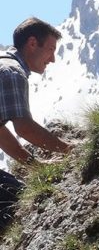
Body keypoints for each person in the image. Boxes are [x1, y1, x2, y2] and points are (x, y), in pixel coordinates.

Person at [0, 17, 72, 230]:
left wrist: (34, 165)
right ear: (32, 43)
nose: (53, 59)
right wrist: (69, 150)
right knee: (16, 200)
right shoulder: (11, 72)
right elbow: (25, 128)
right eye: (51, 49)